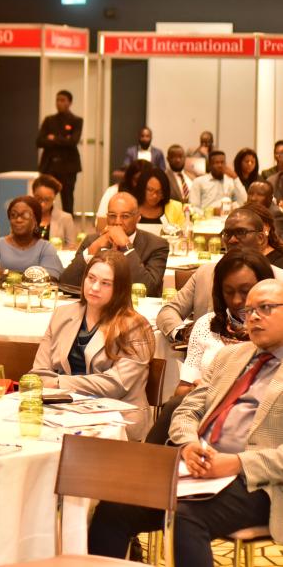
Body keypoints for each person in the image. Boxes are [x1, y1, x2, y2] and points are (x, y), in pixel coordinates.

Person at [89, 278, 283, 566]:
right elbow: (187, 408)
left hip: (260, 484)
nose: (253, 317)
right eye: (249, 311)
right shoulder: (230, 356)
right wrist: (189, 444)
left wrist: (237, 463)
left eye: (265, 308)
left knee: (186, 517)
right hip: (197, 469)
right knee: (115, 505)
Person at [31, 251, 154, 440]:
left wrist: (59, 383)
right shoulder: (62, 314)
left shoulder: (136, 326)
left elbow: (116, 384)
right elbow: (39, 373)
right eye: (91, 278)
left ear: (120, 288)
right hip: (63, 413)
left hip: (116, 419)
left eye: (106, 283)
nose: (95, 287)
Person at [156, 208, 283, 344]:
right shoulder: (205, 274)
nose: (232, 240)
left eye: (241, 232)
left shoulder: (279, 279)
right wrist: (183, 333)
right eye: (227, 234)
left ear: (261, 238)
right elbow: (168, 311)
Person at [179, 249, 273, 395]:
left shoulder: (277, 328)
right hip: (204, 405)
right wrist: (195, 390)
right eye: (229, 292)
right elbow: (181, 390)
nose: (236, 301)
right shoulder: (206, 325)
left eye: (245, 291)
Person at [60, 192, 168, 297]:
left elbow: (149, 290)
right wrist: (92, 250)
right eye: (112, 216)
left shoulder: (156, 245)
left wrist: (127, 247)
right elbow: (65, 285)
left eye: (125, 216)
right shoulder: (92, 241)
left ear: (138, 217)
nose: (117, 222)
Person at [0, 196, 63, 282]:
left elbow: (51, 278)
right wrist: (31, 277)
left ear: (36, 220)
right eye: (13, 215)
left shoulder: (45, 247)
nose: (18, 220)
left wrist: (6, 273)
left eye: (25, 215)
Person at [36, 90, 83, 214]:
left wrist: (53, 138)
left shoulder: (76, 120)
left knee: (68, 199)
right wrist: (63, 139)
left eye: (62, 100)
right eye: (57, 100)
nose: (59, 103)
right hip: (49, 165)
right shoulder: (49, 120)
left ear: (69, 102)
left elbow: (73, 141)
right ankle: (45, 223)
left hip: (68, 167)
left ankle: (69, 225)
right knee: (45, 198)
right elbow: (39, 141)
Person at [95, 159, 152, 232]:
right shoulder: (113, 191)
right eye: (137, 180)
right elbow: (100, 226)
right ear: (129, 179)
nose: (140, 185)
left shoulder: (155, 196)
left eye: (144, 181)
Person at [32, 174, 77, 248]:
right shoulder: (27, 216)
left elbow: (71, 247)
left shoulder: (65, 218)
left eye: (47, 200)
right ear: (33, 195)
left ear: (54, 197)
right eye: (38, 199)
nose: (42, 204)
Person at [238, 202, 283, 268]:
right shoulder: (241, 258)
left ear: (266, 228)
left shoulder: (279, 264)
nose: (233, 239)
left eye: (242, 231)